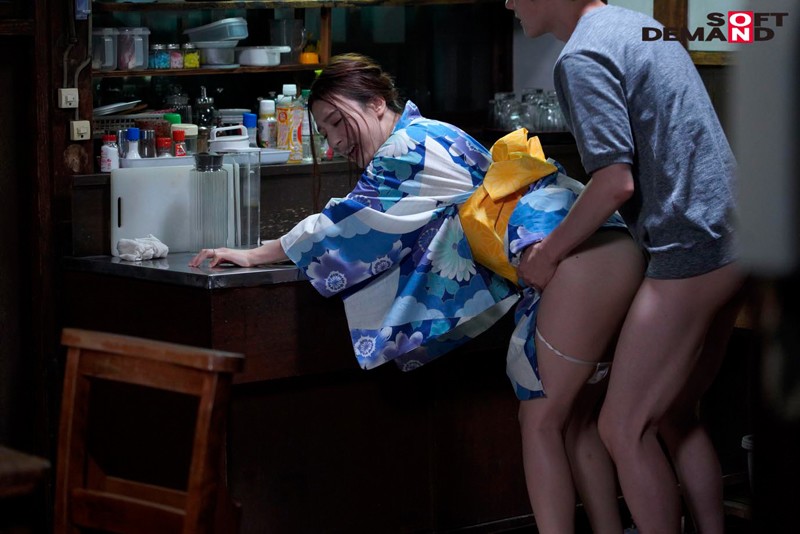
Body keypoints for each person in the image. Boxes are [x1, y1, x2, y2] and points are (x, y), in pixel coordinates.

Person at [189, 53, 643, 532]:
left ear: (377, 103)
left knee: (541, 424)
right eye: (324, 132)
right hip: (608, 244)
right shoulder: (432, 133)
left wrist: (256, 253)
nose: (336, 141)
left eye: (337, 122)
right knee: (578, 425)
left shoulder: (404, 147)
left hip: (572, 262)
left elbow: (345, 224)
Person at [504, 1, 746, 533]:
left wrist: (548, 252)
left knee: (622, 427)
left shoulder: (582, 56)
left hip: (692, 247)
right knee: (677, 414)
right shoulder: (638, 24)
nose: (509, 4)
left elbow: (615, 182)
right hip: (736, 234)